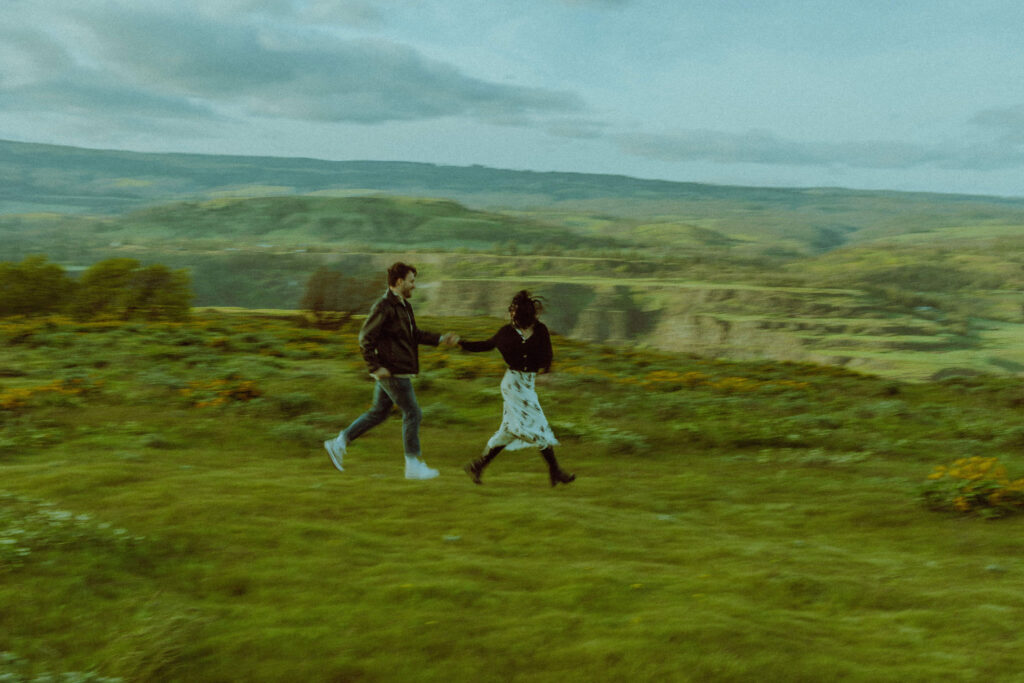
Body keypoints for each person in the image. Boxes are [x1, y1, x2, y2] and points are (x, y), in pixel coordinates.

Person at [324, 262, 457, 479]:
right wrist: (374, 367)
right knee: (413, 412)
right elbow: (365, 338)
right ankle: (413, 466)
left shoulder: (404, 306)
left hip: (397, 370)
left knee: (379, 412)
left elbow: (414, 334)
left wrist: (441, 339)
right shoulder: (384, 306)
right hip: (393, 372)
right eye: (411, 281)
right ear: (399, 282)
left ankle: (338, 443)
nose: (414, 285)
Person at [458, 290, 575, 487]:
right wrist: (461, 343)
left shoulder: (540, 330)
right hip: (513, 384)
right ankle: (555, 471)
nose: (511, 315)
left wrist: (546, 372)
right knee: (538, 425)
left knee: (509, 431)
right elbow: (485, 345)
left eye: (515, 312)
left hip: (528, 383)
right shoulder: (506, 332)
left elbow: (548, 353)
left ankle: (477, 466)